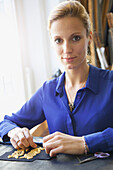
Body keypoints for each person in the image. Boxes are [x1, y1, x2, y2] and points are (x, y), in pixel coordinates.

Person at [0, 0, 113, 157]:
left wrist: (85, 143)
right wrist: (15, 132)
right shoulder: (48, 90)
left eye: (75, 38)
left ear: (89, 38)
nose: (67, 49)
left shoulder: (110, 83)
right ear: (52, 43)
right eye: (59, 40)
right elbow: (6, 123)